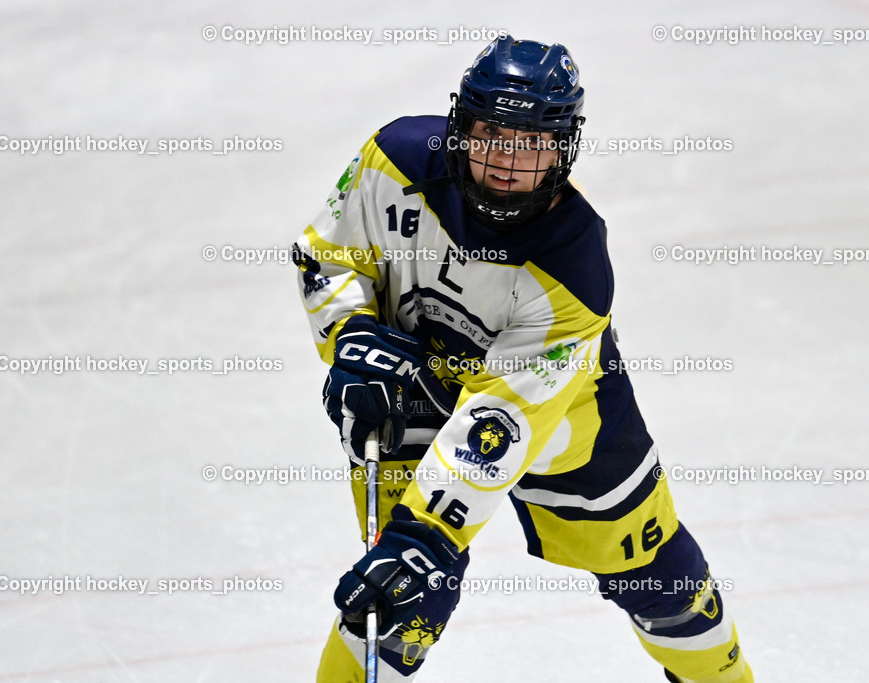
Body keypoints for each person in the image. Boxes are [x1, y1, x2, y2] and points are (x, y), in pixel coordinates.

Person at [293, 36, 754, 683]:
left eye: (532, 142)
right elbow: (326, 254)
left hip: (560, 423)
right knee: (401, 593)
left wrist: (424, 533)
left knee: (666, 585)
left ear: (562, 148)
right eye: (494, 134)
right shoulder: (392, 160)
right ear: (461, 129)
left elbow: (498, 428)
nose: (510, 160)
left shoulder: (575, 266)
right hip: (406, 396)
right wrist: (351, 334)